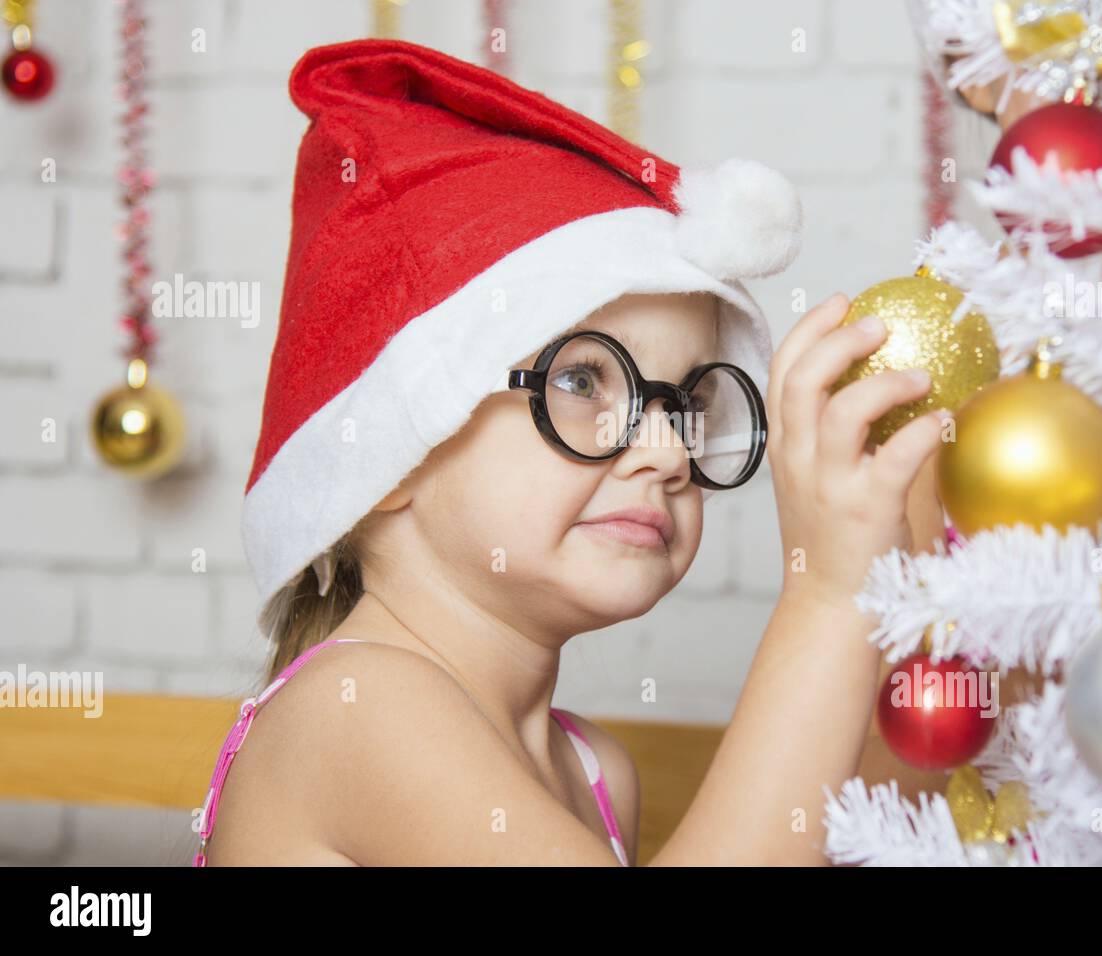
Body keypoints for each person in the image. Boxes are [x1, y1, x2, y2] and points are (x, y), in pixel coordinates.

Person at [193, 38, 943, 867]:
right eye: (584, 381)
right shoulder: (356, 704)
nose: (666, 451)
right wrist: (828, 594)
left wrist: (908, 573)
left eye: (688, 404)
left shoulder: (593, 772)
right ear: (390, 459)